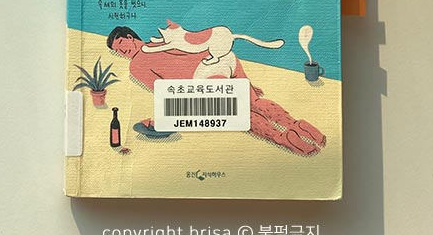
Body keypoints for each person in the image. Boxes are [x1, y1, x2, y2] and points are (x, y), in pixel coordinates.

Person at [107, 25, 326, 156]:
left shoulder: (136, 65)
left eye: (121, 45)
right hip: (224, 59)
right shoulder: (162, 40)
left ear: (129, 37)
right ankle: (301, 127)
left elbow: (164, 90)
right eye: (118, 51)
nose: (122, 52)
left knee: (241, 115)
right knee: (255, 102)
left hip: (204, 76)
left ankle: (284, 138)